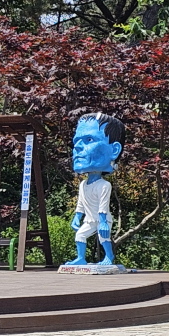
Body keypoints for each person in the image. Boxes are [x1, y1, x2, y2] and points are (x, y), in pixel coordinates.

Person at [64, 112, 125, 266]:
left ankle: (109, 257)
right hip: (90, 219)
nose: (77, 147)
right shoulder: (83, 184)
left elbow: (103, 205)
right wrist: (77, 216)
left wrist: (103, 222)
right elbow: (81, 203)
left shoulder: (104, 185)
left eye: (89, 140)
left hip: (102, 219)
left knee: (103, 237)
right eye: (76, 141)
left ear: (114, 150)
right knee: (80, 235)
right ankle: (80, 258)